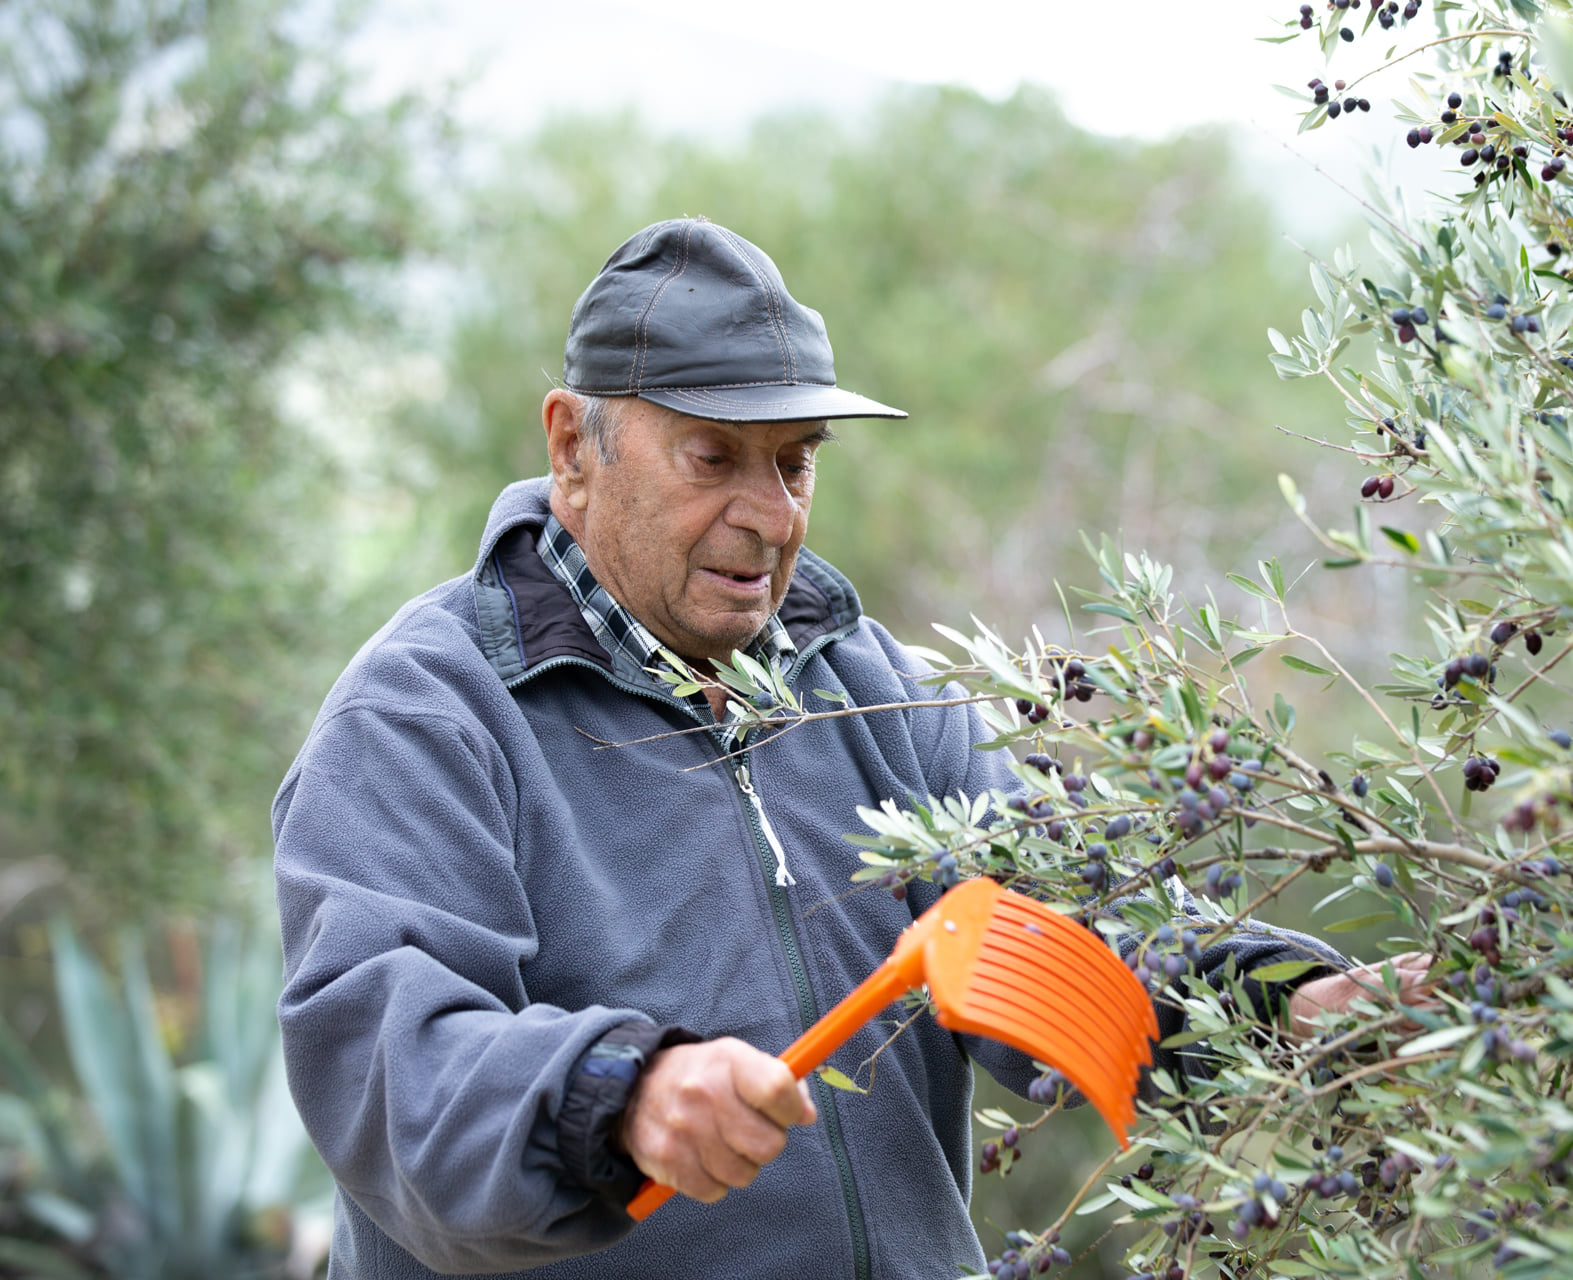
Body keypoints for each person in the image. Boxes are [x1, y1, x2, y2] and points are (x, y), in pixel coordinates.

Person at [272, 217, 1426, 1279]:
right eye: (713, 457)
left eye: (795, 460)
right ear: (575, 447)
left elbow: (1054, 923)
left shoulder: (861, 685)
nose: (771, 514)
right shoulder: (425, 719)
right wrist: (622, 1096)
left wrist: (1288, 999)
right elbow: (391, 1063)